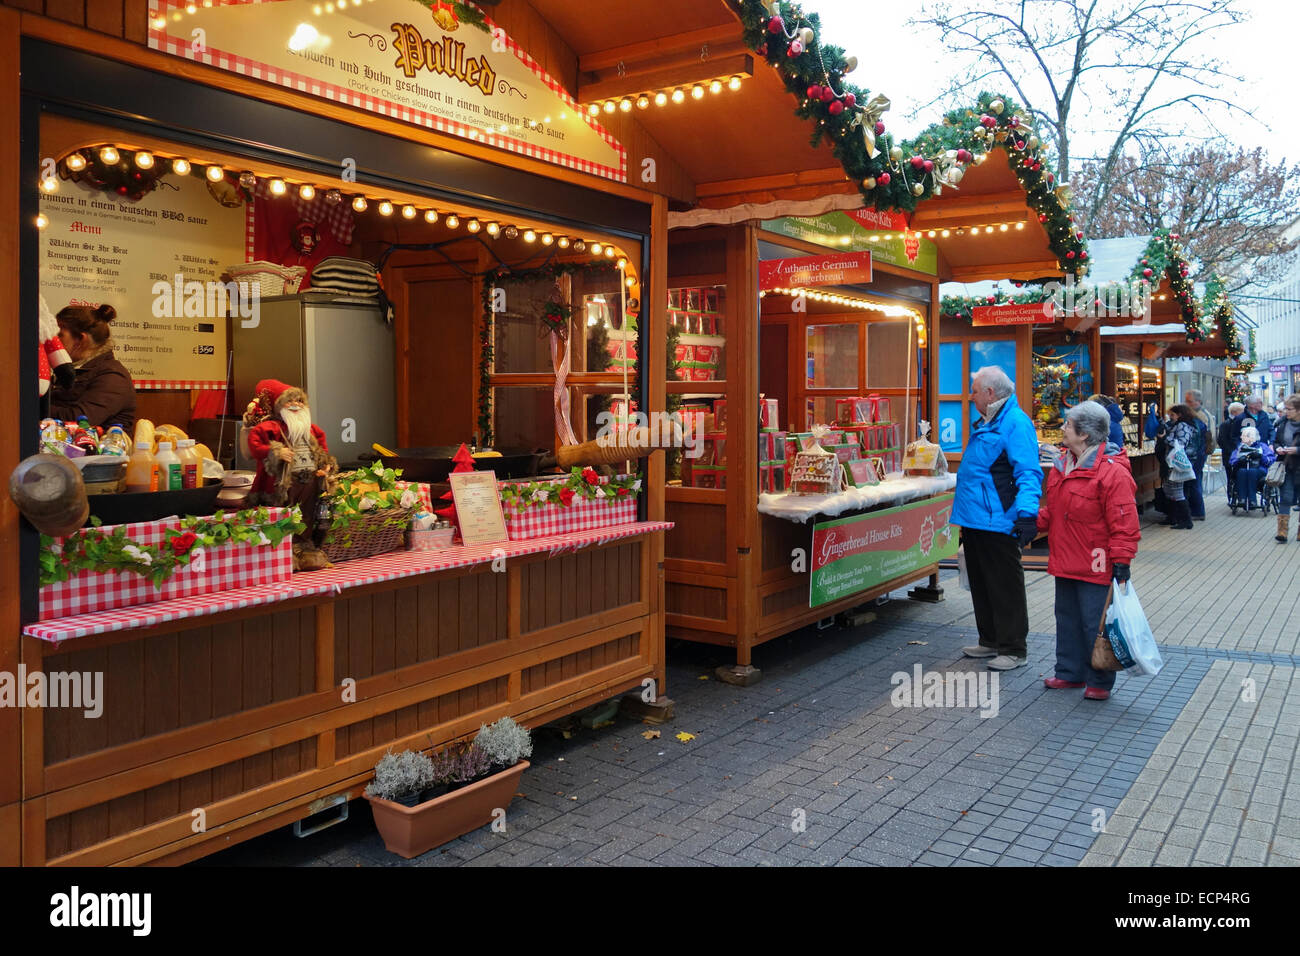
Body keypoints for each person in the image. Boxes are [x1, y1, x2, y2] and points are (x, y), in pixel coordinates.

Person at [1037, 401, 1140, 701]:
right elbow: (1055, 510)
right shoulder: (1062, 465)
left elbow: (1124, 521)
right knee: (1066, 617)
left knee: (1094, 623)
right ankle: (1069, 673)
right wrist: (1030, 523)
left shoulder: (1112, 473)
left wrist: (1122, 561)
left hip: (1097, 562)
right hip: (1065, 558)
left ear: (1083, 434)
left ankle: (1099, 679)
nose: (1063, 428)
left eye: (1068, 424)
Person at [952, 366, 1044, 671]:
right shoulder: (988, 421)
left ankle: (1014, 648)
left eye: (975, 390)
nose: (971, 395)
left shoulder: (1016, 423)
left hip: (998, 519)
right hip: (975, 518)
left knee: (1004, 585)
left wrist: (1027, 514)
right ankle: (990, 640)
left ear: (990, 393)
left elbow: (1028, 472)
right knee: (981, 582)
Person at [246, 380, 339, 571]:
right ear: (278, 406)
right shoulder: (269, 428)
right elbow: (255, 446)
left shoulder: (311, 430)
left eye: (300, 400)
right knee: (283, 512)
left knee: (307, 512)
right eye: (290, 401)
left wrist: (326, 466)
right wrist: (275, 452)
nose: (296, 404)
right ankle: (282, 549)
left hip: (310, 479)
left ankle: (304, 547)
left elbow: (322, 449)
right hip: (284, 483)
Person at [47, 303, 136, 431]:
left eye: (59, 335)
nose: (52, 341)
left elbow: (79, 419)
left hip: (101, 449)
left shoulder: (113, 376)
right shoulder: (69, 369)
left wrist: (33, 408)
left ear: (81, 340)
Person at [1156, 404, 1199, 529]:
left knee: (1176, 490)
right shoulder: (1184, 425)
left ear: (1180, 414)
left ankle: (1185, 520)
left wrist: (1165, 438)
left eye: (1172, 414)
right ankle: (1173, 517)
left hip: (1177, 462)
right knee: (1169, 489)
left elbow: (1180, 443)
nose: (1170, 417)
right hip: (1174, 461)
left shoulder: (1182, 426)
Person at [1182, 389, 1214, 521]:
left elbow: (1207, 437)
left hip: (1198, 454)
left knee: (1193, 481)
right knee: (1195, 480)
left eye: (1190, 401)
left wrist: (1203, 452)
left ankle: (1197, 511)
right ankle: (1197, 510)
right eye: (1187, 401)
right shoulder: (1202, 414)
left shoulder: (1201, 416)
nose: (1187, 404)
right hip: (1200, 453)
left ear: (1198, 402)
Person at [1274, 394, 1300, 543]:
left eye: (1289, 409)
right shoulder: (1283, 424)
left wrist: (1296, 450)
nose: (1286, 412)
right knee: (1286, 497)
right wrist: (1278, 448)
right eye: (1285, 408)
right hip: (1287, 466)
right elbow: (1276, 441)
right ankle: (1282, 532)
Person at [1230, 426, 1275, 513]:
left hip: (1259, 470)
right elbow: (1232, 460)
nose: (1241, 437)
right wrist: (1239, 460)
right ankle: (1242, 499)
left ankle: (1252, 500)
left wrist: (1261, 456)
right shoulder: (1240, 447)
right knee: (1242, 471)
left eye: (1244, 436)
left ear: (1252, 438)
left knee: (1251, 472)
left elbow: (1271, 460)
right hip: (1243, 470)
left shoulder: (1262, 447)